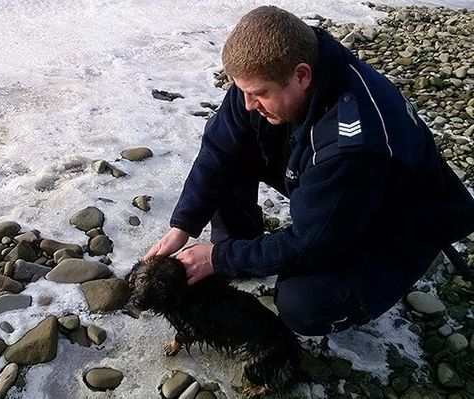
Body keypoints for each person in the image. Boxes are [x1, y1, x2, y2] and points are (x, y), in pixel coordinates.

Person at [144, 6, 474, 336]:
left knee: (303, 303)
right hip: (333, 184)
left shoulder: (353, 143)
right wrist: (183, 223)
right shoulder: (270, 71)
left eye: (259, 93)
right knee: (235, 152)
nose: (247, 103)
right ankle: (242, 251)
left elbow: (311, 242)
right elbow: (219, 149)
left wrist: (218, 258)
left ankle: (368, 290)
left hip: (394, 224)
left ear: (302, 76)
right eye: (242, 90)